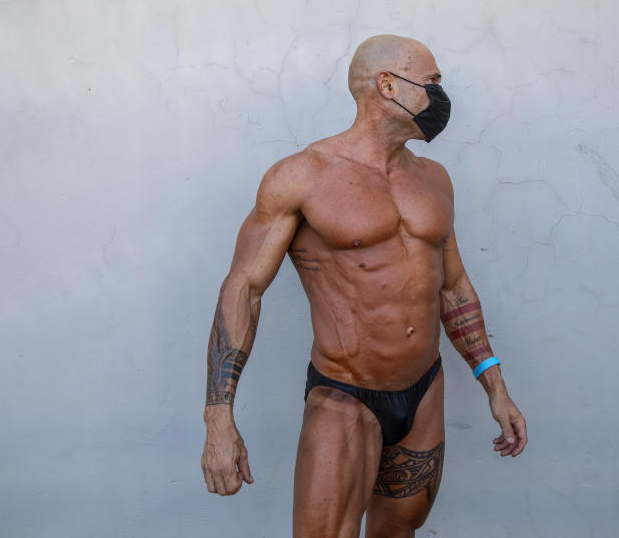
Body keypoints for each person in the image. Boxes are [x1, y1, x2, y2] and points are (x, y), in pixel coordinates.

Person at [201, 34, 527, 538]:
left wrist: (496, 388)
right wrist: (219, 418)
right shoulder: (303, 177)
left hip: (423, 393)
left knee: (398, 532)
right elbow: (243, 288)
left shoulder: (435, 180)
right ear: (388, 85)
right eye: (433, 83)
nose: (441, 97)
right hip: (345, 395)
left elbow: (454, 289)